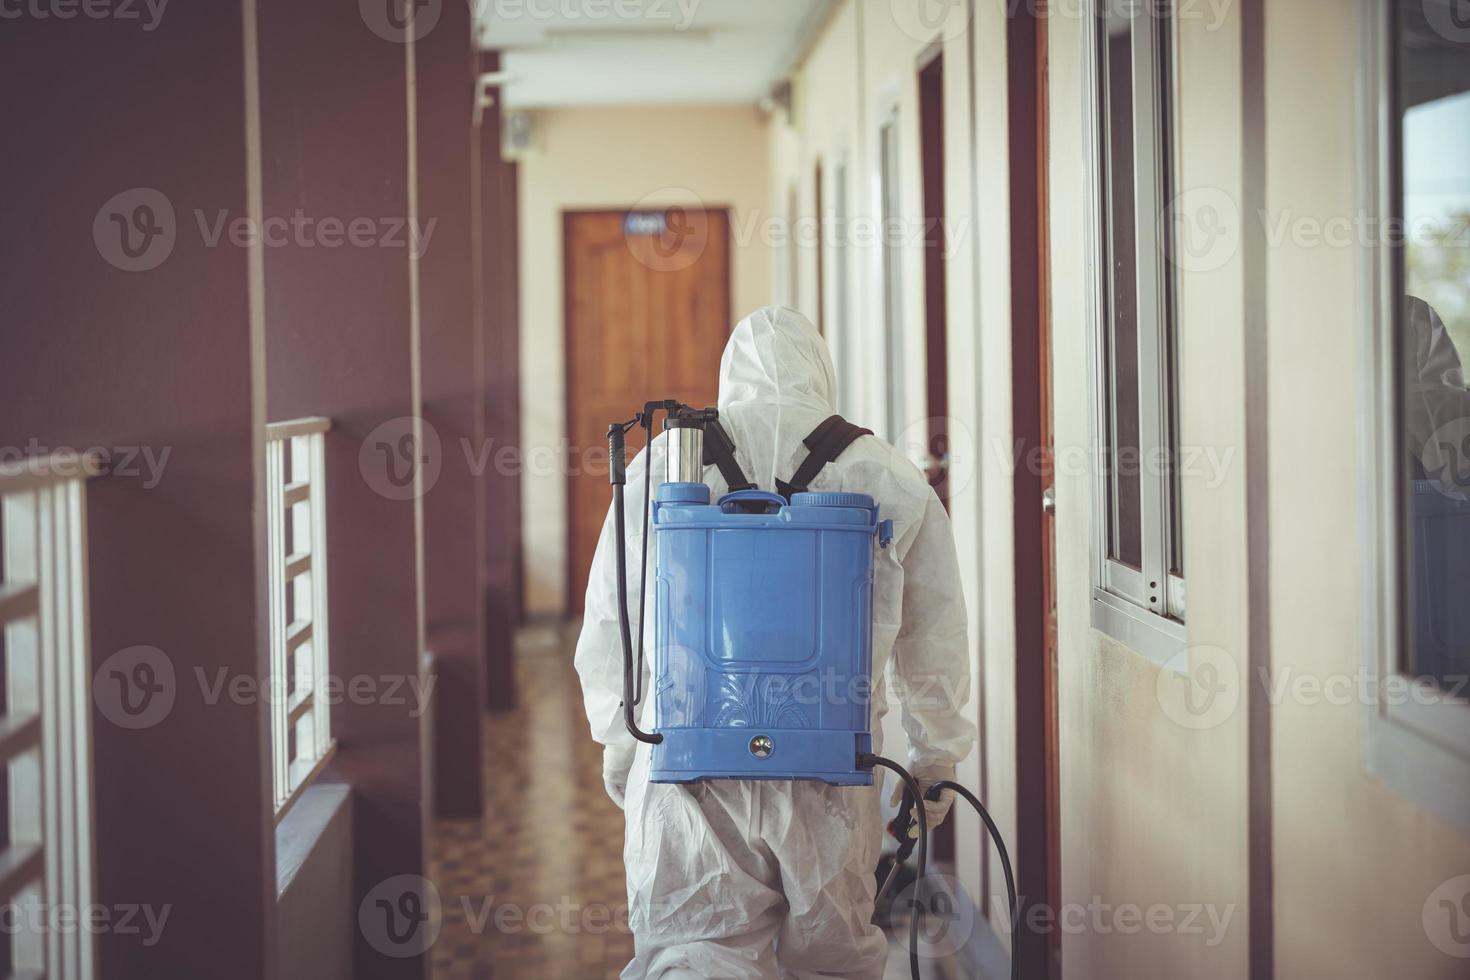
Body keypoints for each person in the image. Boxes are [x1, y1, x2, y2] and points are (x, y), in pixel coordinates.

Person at [574, 305, 976, 979]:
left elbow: (611, 622)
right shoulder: (886, 474)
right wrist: (935, 762)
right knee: (830, 963)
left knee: (693, 956)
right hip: (829, 779)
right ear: (822, 374)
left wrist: (620, 745)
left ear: (730, 378)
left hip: (688, 771)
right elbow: (935, 639)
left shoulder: (663, 465)